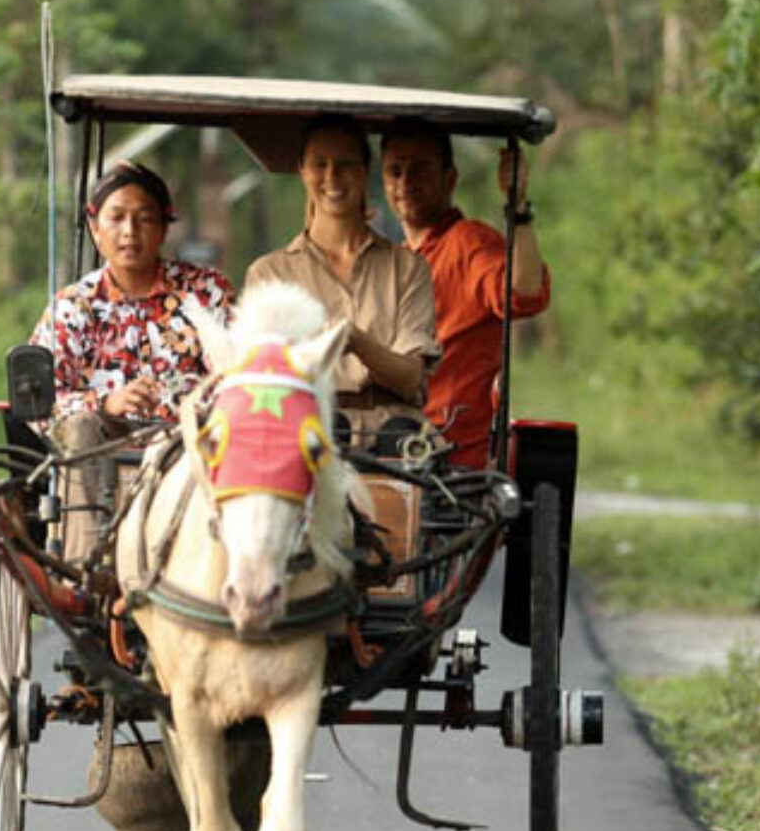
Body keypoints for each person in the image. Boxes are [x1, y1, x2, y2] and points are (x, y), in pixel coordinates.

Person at [30, 161, 232, 562]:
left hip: (188, 444)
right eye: (117, 218)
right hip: (102, 447)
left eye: (144, 219)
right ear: (94, 227)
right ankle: (87, 567)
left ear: (163, 228)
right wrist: (106, 404)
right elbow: (41, 401)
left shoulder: (206, 293)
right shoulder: (74, 306)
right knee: (81, 427)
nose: (130, 232)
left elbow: (236, 376)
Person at [245, 114, 438, 445]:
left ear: (365, 172)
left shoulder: (407, 268)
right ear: (302, 171)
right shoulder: (269, 274)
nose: (332, 177)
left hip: (394, 441)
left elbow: (410, 377)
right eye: (320, 164)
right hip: (305, 434)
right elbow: (260, 378)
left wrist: (356, 340)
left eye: (345, 164)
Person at [380, 121, 551, 467]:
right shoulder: (390, 260)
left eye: (420, 170)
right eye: (395, 172)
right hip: (383, 443)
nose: (405, 183)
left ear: (450, 178)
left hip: (445, 459)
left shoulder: (467, 242)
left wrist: (517, 210)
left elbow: (524, 291)